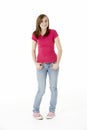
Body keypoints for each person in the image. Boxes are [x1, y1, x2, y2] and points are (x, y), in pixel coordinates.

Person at [32, 14, 62, 120]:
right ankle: (35, 111)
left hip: (53, 65)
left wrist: (57, 63)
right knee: (41, 89)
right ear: (38, 23)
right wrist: (35, 63)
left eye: (46, 21)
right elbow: (32, 50)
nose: (44, 23)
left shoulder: (53, 32)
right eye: (42, 21)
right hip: (41, 66)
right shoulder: (35, 34)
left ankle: (52, 111)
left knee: (53, 88)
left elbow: (60, 49)